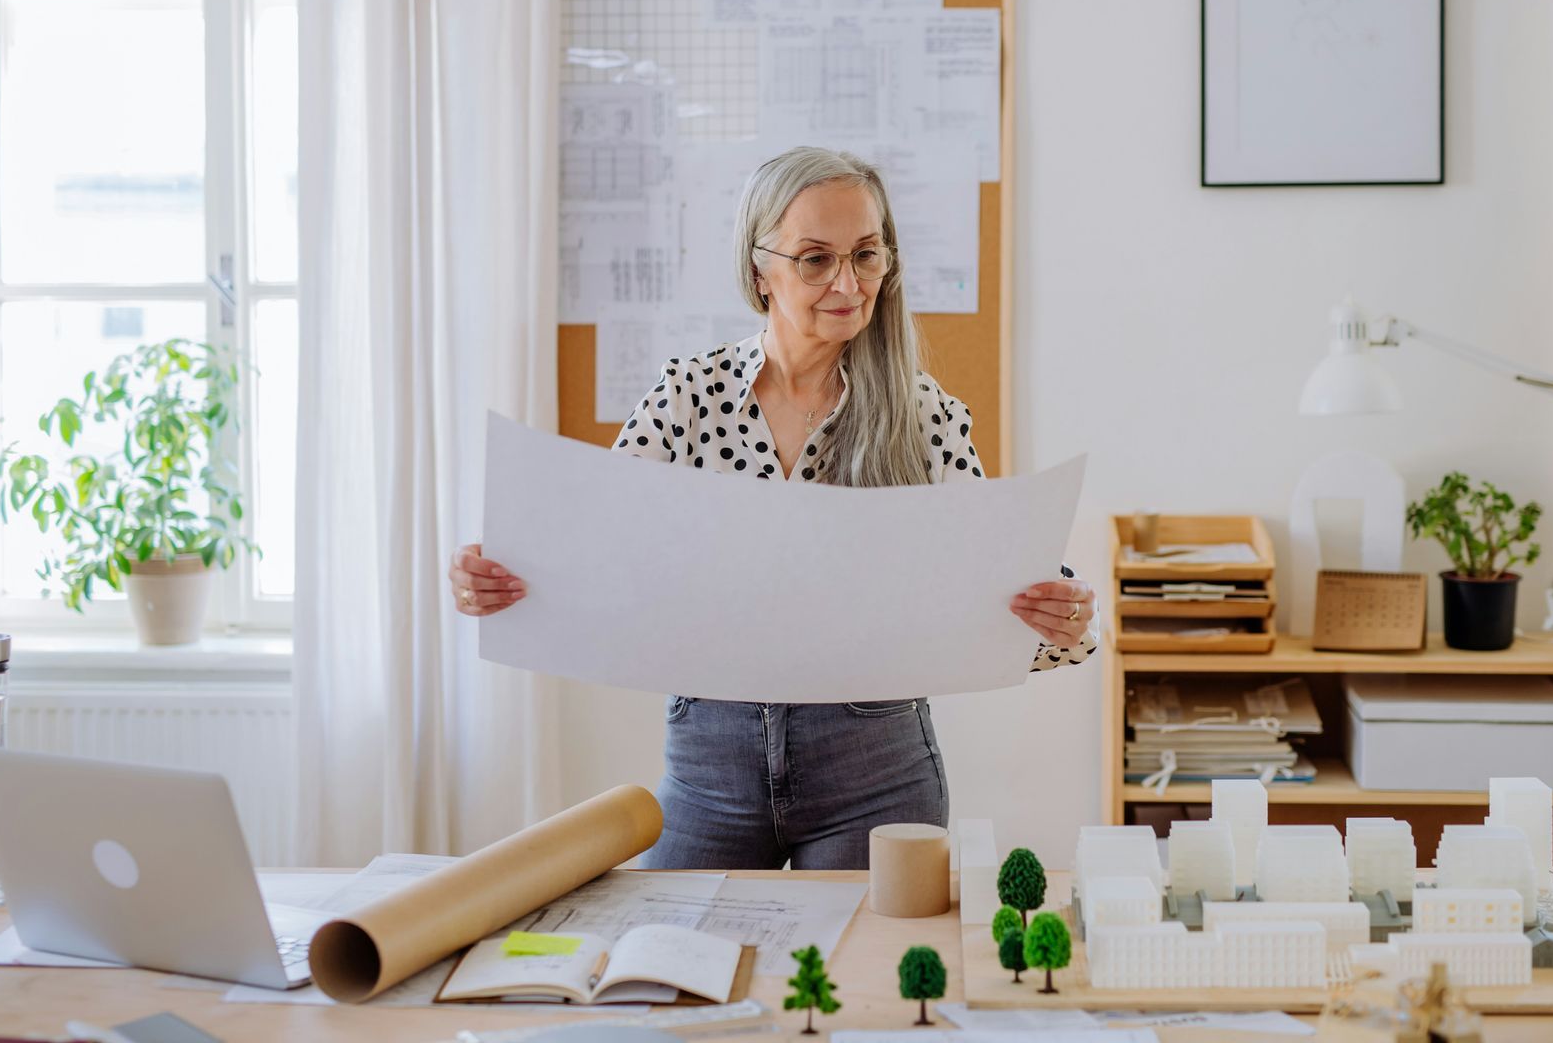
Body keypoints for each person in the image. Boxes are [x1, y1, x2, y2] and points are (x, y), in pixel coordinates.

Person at [450, 146, 1095, 868]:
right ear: (760, 269)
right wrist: (500, 578)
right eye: (815, 259)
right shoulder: (689, 398)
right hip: (709, 769)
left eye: (867, 255)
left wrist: (1056, 613)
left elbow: (987, 581)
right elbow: (592, 549)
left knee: (861, 980)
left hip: (875, 773)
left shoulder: (923, 415)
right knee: (681, 968)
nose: (848, 282)